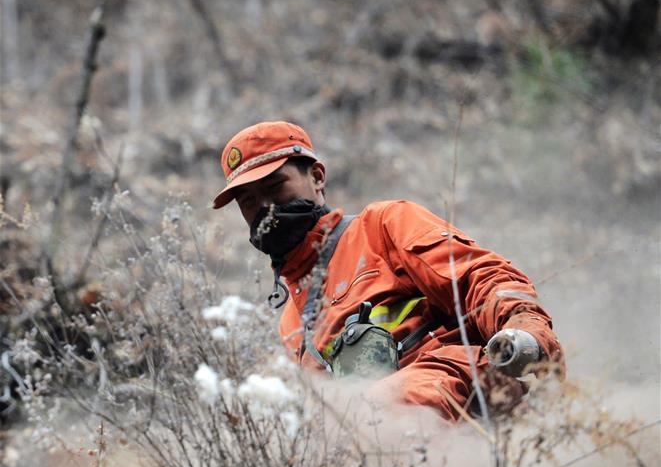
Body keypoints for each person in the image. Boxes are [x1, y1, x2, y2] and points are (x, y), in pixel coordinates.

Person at [212, 120, 564, 421]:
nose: (264, 208)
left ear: (317, 177)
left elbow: (481, 277)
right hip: (379, 438)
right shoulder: (291, 321)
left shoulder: (383, 226)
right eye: (247, 200)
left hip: (454, 388)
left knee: (381, 411)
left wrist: (525, 331)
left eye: (275, 187)